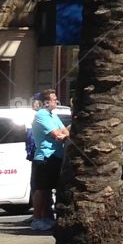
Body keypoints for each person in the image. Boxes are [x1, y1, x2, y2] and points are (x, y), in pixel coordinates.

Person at [31, 88, 69, 233]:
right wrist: (61, 133)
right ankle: (37, 219)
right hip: (45, 157)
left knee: (49, 190)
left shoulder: (53, 115)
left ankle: (46, 217)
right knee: (42, 189)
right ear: (46, 103)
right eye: (54, 99)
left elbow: (65, 132)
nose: (56, 101)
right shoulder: (41, 115)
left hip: (56, 156)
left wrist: (62, 133)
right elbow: (56, 134)